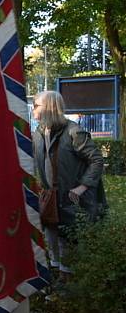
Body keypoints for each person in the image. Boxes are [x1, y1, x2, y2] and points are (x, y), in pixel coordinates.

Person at [32, 90, 105, 276]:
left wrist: (81, 187)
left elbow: (96, 161)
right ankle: (56, 283)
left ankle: (69, 287)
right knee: (52, 241)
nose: (33, 110)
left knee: (68, 242)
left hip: (71, 198)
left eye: (36, 106)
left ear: (48, 107)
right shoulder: (39, 132)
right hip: (50, 197)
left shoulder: (74, 132)